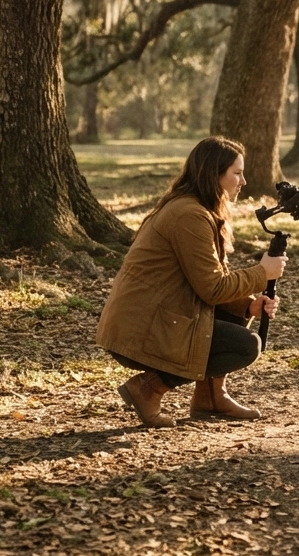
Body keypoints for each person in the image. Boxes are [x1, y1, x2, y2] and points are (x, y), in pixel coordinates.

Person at [96, 137, 287, 427]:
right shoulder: (189, 215)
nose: (244, 181)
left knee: (236, 318)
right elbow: (212, 288)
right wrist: (262, 273)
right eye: (237, 173)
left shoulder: (197, 209)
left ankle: (210, 396)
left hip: (158, 317)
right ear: (214, 174)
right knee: (245, 345)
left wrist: (248, 307)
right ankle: (148, 388)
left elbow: (209, 283)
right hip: (141, 329)